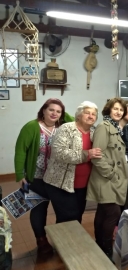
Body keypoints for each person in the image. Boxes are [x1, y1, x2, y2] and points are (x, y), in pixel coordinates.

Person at [14, 98, 71, 254]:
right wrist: (20, 175)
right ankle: (41, 240)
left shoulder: (63, 127)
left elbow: (76, 119)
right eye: (51, 110)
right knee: (39, 209)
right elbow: (20, 151)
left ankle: (61, 240)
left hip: (58, 178)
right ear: (43, 110)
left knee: (62, 210)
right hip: (37, 177)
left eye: (58, 111)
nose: (54, 113)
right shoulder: (31, 127)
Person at [43, 102, 100, 224]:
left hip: (83, 185)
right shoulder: (66, 128)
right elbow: (59, 153)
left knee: (78, 215)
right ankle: (61, 243)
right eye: (87, 113)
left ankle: (72, 242)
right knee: (67, 218)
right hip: (60, 183)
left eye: (94, 114)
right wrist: (87, 154)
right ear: (79, 115)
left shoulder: (95, 132)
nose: (91, 116)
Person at [87, 98, 128, 259]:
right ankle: (106, 249)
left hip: (112, 179)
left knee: (103, 212)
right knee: (113, 213)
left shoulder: (115, 127)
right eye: (115, 109)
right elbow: (97, 156)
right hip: (106, 178)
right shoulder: (104, 127)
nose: (118, 112)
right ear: (108, 111)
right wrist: (111, 174)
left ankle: (99, 246)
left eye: (121, 110)